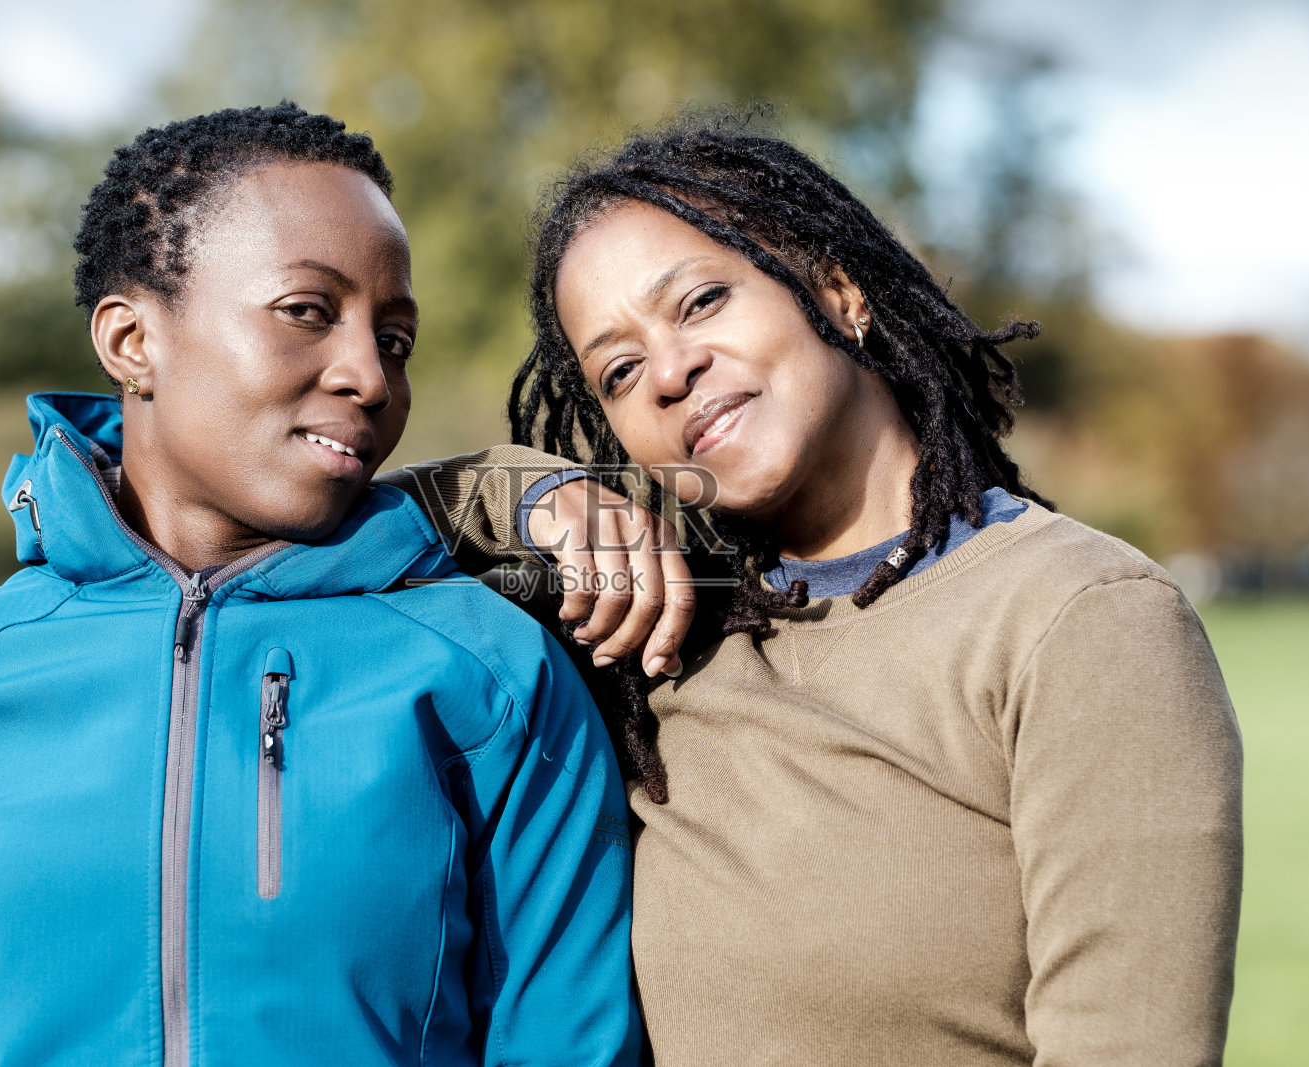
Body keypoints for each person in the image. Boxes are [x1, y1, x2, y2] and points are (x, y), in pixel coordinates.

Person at [0, 104, 640, 1067]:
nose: (369, 375)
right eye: (308, 311)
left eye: (394, 339)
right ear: (131, 340)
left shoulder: (493, 673)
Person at [403, 116, 1244, 1065]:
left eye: (703, 300)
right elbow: (344, 509)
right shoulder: (672, 618)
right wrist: (542, 495)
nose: (672, 372)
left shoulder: (1082, 616)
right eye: (621, 370)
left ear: (837, 289)